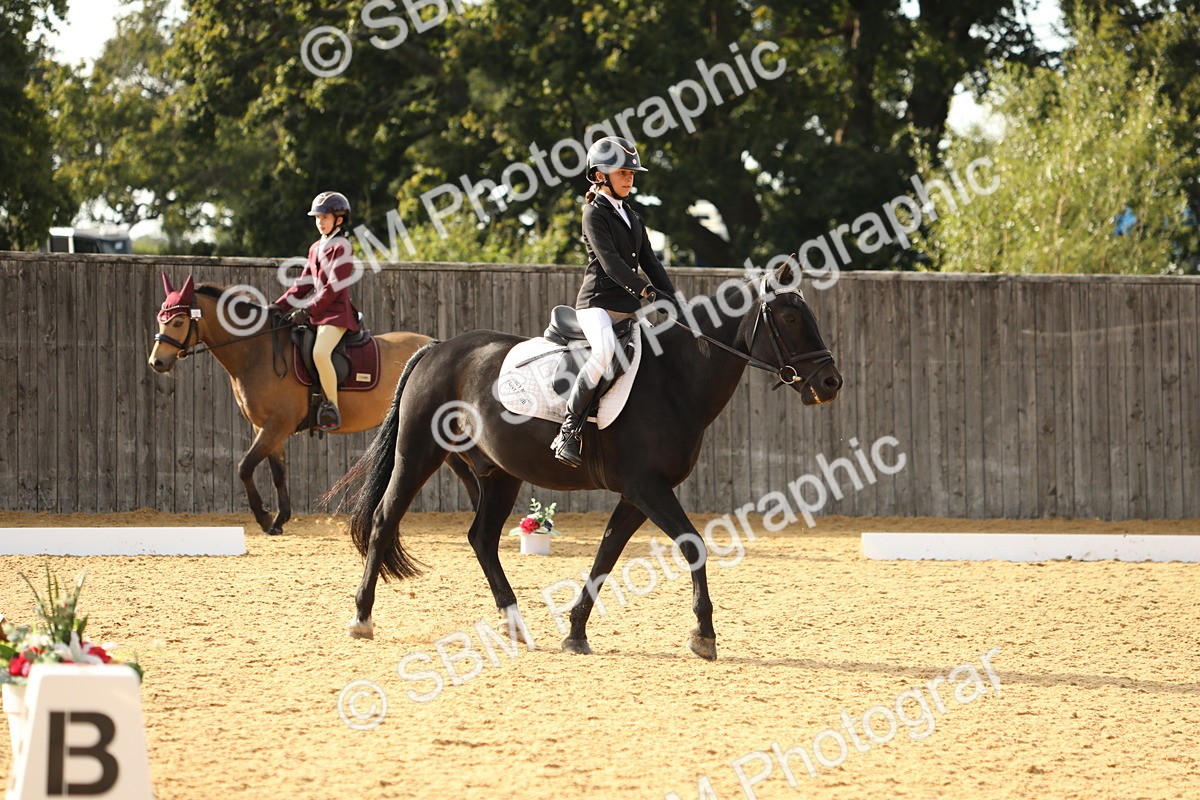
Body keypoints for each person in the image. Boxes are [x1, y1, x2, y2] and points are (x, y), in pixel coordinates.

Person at [551, 136, 679, 467]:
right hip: (597, 305)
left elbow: (651, 262)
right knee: (605, 351)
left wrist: (674, 299)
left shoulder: (633, 216)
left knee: (657, 350)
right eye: (623, 172)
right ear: (600, 176)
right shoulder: (593, 213)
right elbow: (611, 264)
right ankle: (569, 429)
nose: (629, 179)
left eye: (632, 174)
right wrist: (647, 292)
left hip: (629, 308)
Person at [271, 191, 360, 432]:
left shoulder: (343, 247)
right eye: (317, 217)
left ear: (339, 220)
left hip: (336, 314)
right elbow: (303, 283)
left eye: (325, 217)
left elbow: (332, 288)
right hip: (318, 314)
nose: (320, 222)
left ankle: (331, 407)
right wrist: (279, 305)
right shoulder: (315, 248)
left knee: (320, 352)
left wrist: (308, 309)